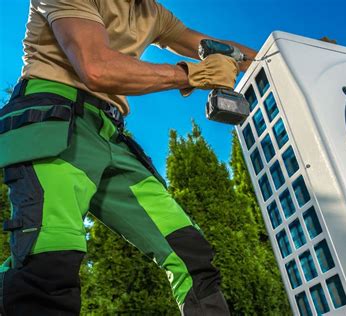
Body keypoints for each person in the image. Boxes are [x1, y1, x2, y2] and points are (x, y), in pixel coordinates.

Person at [0, 0, 257, 315]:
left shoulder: (152, 13)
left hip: (110, 132)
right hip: (55, 117)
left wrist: (287, 53)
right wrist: (189, 74)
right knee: (50, 256)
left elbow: (215, 47)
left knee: (188, 252)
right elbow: (96, 67)